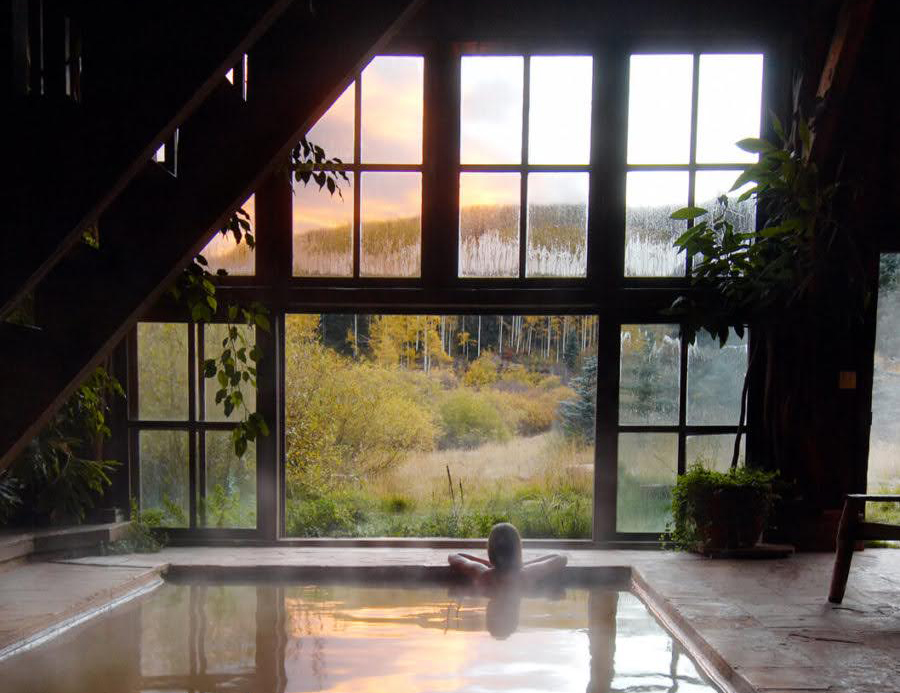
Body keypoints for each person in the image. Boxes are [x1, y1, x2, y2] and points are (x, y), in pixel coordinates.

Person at [448, 522, 567, 587]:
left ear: (491, 551)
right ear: (517, 550)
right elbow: (561, 558)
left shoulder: (483, 574)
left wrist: (487, 564)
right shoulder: (526, 574)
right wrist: (520, 564)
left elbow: (454, 556)